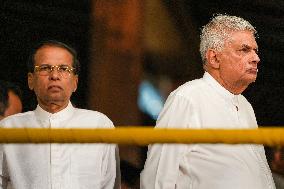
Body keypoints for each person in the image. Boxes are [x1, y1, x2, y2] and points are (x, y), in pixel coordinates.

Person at [140, 14, 275, 189]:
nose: (256, 58)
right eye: (244, 49)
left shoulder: (245, 106)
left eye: (255, 50)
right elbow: (157, 177)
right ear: (214, 58)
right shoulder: (187, 98)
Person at [0, 40, 120, 189]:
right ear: (30, 80)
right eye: (45, 68)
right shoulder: (8, 129)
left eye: (64, 69)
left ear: (75, 82)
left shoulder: (99, 125)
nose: (54, 75)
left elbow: (110, 185)